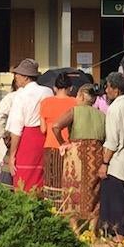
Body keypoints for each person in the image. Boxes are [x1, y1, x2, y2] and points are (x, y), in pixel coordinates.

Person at [52, 83, 106, 226]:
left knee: (73, 188)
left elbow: (56, 126)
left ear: (81, 96)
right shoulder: (102, 115)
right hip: (96, 153)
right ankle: (92, 229)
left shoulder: (74, 111)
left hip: (77, 153)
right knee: (94, 190)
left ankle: (75, 228)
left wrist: (62, 142)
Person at [98, 73, 124, 238]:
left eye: (108, 87)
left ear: (116, 89)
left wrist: (104, 163)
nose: (106, 90)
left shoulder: (115, 108)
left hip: (117, 161)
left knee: (115, 200)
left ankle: (117, 233)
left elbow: (112, 140)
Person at [5, 59, 53, 191]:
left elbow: (16, 128)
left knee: (24, 179)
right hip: (44, 137)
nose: (16, 78)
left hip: (28, 139)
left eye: (18, 75)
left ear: (25, 77)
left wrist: (12, 155)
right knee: (41, 177)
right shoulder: (47, 92)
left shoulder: (21, 95)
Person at [39, 72, 77, 203]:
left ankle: (52, 207)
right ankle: (66, 206)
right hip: (69, 146)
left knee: (51, 179)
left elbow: (43, 129)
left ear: (54, 88)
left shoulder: (45, 102)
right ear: (70, 88)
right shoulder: (75, 102)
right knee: (67, 179)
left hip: (50, 145)